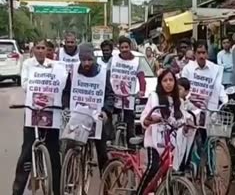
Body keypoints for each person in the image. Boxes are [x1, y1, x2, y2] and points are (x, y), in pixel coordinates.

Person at [13, 39, 65, 195]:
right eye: (38, 47)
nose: (41, 50)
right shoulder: (28, 64)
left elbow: (61, 83)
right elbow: (25, 85)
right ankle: (17, 191)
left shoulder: (56, 65)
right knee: (27, 153)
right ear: (33, 49)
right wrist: (42, 88)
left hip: (51, 111)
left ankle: (57, 190)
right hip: (33, 111)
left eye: (44, 48)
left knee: (54, 153)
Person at [138, 69, 194, 194]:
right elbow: (144, 118)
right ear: (160, 83)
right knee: (153, 168)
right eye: (165, 80)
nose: (168, 83)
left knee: (170, 170)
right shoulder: (154, 97)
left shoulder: (178, 101)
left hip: (172, 142)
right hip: (154, 141)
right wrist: (149, 120)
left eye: (171, 80)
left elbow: (182, 119)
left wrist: (188, 124)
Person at [62, 43, 114, 173]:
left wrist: (106, 111)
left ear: (94, 59)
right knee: (68, 147)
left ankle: (106, 187)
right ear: (79, 59)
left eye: (89, 60)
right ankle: (68, 181)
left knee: (102, 153)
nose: (86, 63)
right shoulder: (73, 72)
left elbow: (110, 95)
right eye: (83, 60)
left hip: (96, 117)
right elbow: (67, 92)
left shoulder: (102, 72)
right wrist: (66, 107)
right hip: (77, 116)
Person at [109, 36, 146, 148]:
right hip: (114, 95)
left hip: (129, 98)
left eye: (126, 47)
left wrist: (142, 90)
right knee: (109, 121)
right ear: (119, 48)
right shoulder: (113, 60)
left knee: (130, 124)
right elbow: (106, 76)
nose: (124, 49)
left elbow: (141, 77)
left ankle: (131, 149)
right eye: (122, 47)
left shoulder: (136, 61)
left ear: (130, 47)